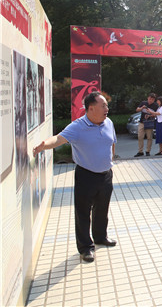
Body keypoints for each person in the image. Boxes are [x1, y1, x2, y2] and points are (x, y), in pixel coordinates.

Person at [33, 92, 117, 263]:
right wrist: (44, 146)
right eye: (103, 106)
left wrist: (110, 161)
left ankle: (101, 237)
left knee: (102, 209)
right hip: (86, 175)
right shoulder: (77, 127)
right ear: (91, 108)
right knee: (83, 212)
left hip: (106, 175)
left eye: (106, 106)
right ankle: (85, 247)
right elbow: (58, 139)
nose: (106, 109)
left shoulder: (108, 122)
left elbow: (112, 143)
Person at [134, 93, 157, 157]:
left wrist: (150, 115)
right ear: (148, 98)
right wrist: (142, 108)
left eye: (152, 99)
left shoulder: (155, 105)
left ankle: (148, 151)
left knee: (149, 137)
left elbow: (156, 114)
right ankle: (140, 151)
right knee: (140, 136)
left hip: (149, 122)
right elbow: (137, 110)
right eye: (150, 99)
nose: (150, 100)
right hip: (142, 122)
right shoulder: (143, 103)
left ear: (154, 100)